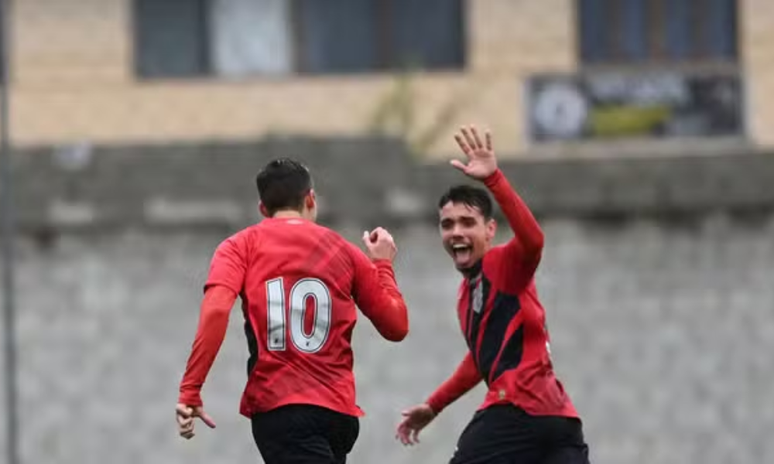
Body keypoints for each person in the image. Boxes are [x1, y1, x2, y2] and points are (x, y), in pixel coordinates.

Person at [176, 158, 410, 464]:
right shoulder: (345, 251)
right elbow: (396, 325)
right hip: (338, 413)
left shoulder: (239, 247)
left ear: (263, 208)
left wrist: (191, 389)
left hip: (281, 408)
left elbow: (217, 311)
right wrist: (382, 266)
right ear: (310, 199)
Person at [396, 126, 590, 464]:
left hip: (516, 411)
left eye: (467, 223)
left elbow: (533, 241)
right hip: (558, 422)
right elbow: (479, 360)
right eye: (447, 224)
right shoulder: (467, 294)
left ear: (489, 230)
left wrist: (494, 179)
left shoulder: (502, 265)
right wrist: (434, 405)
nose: (456, 232)